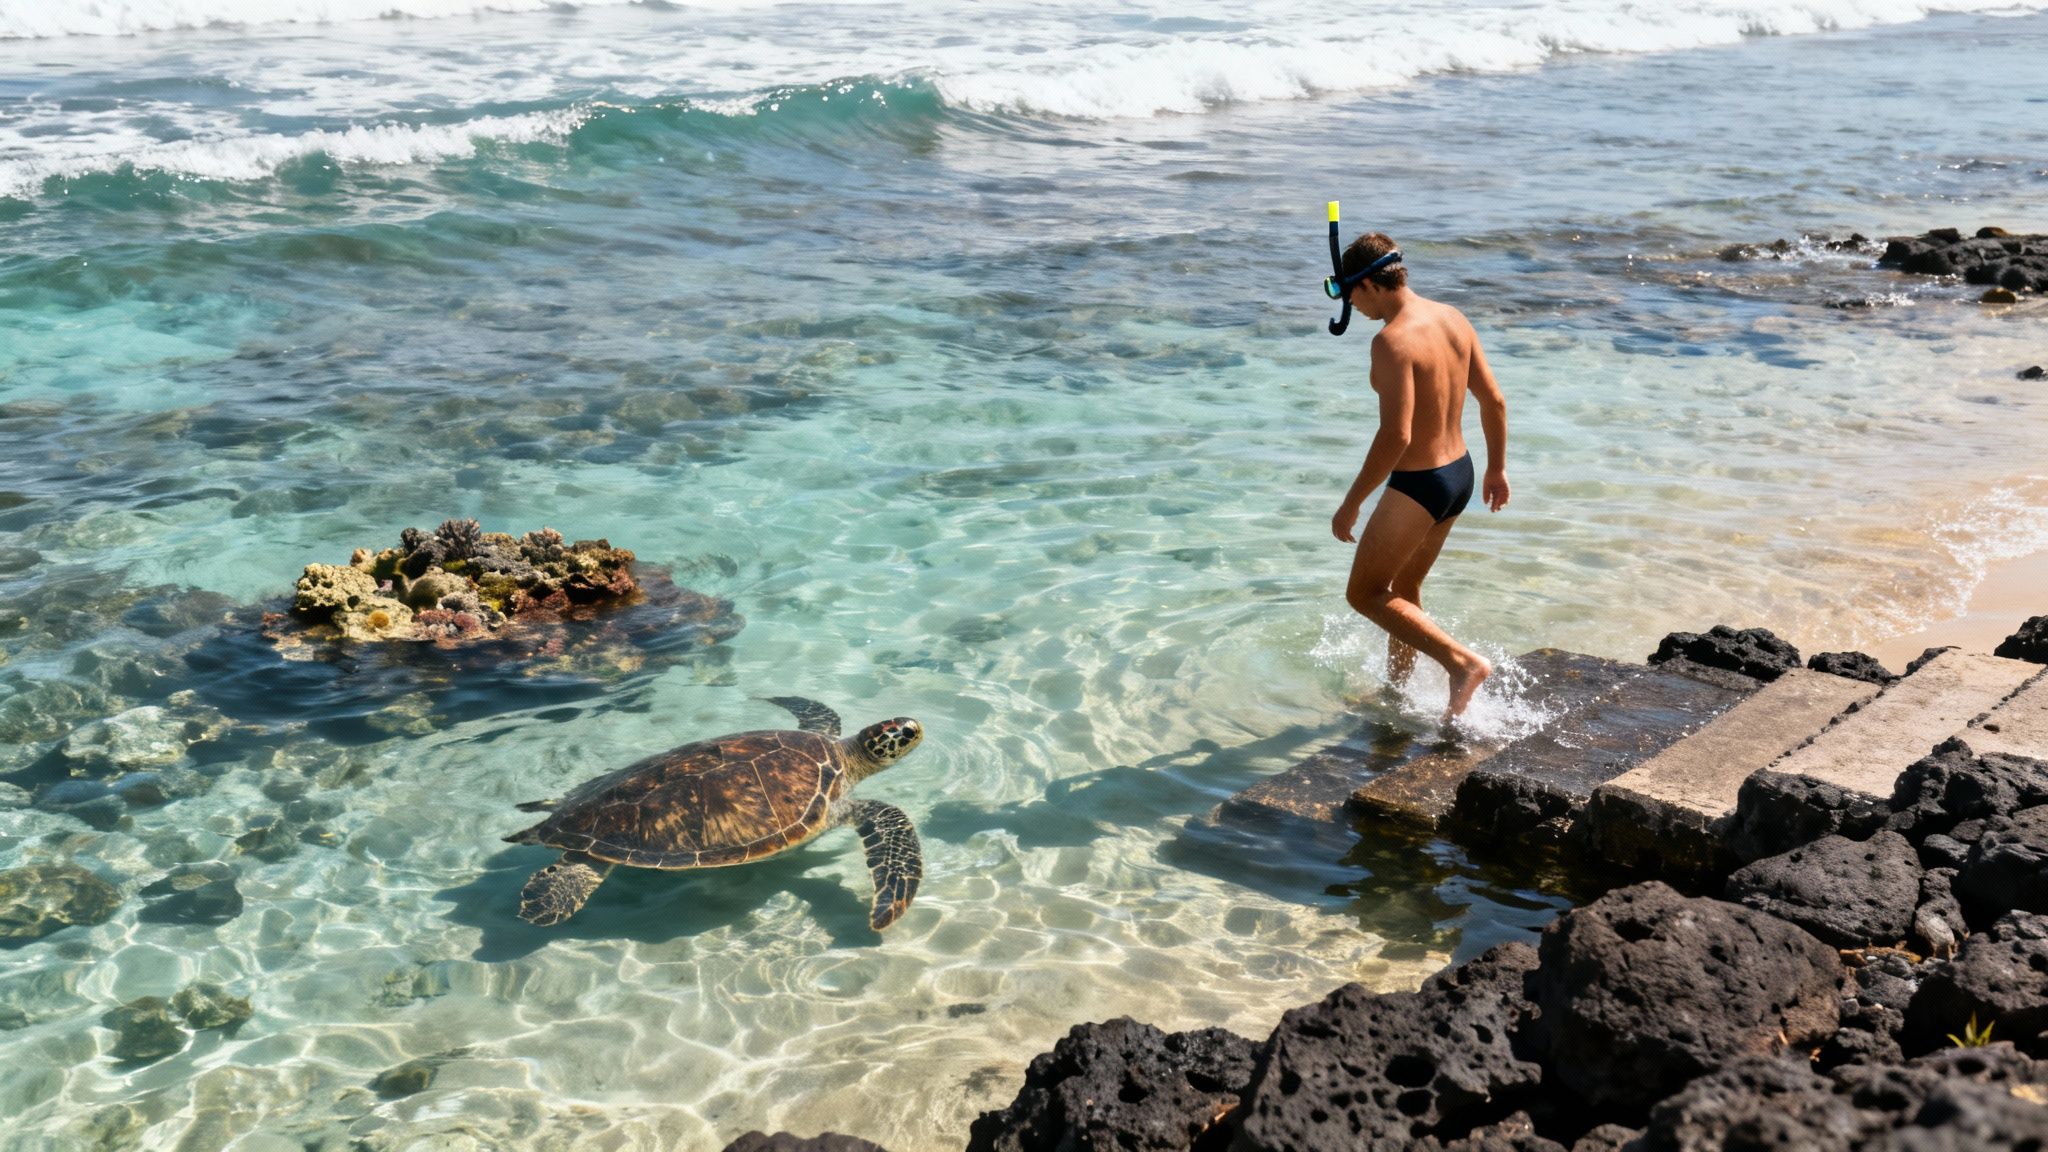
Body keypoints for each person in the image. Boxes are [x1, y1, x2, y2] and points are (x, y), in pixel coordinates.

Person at [1327, 231, 1508, 723]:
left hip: (1420, 484)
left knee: (1363, 594)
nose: (1351, 305)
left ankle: (1462, 664)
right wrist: (1497, 467)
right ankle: (1397, 691)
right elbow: (1493, 400)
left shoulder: (1391, 341)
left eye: (1349, 293)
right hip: (1461, 475)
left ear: (1369, 286)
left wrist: (1352, 502)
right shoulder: (1452, 317)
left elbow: (1396, 437)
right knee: (1404, 588)